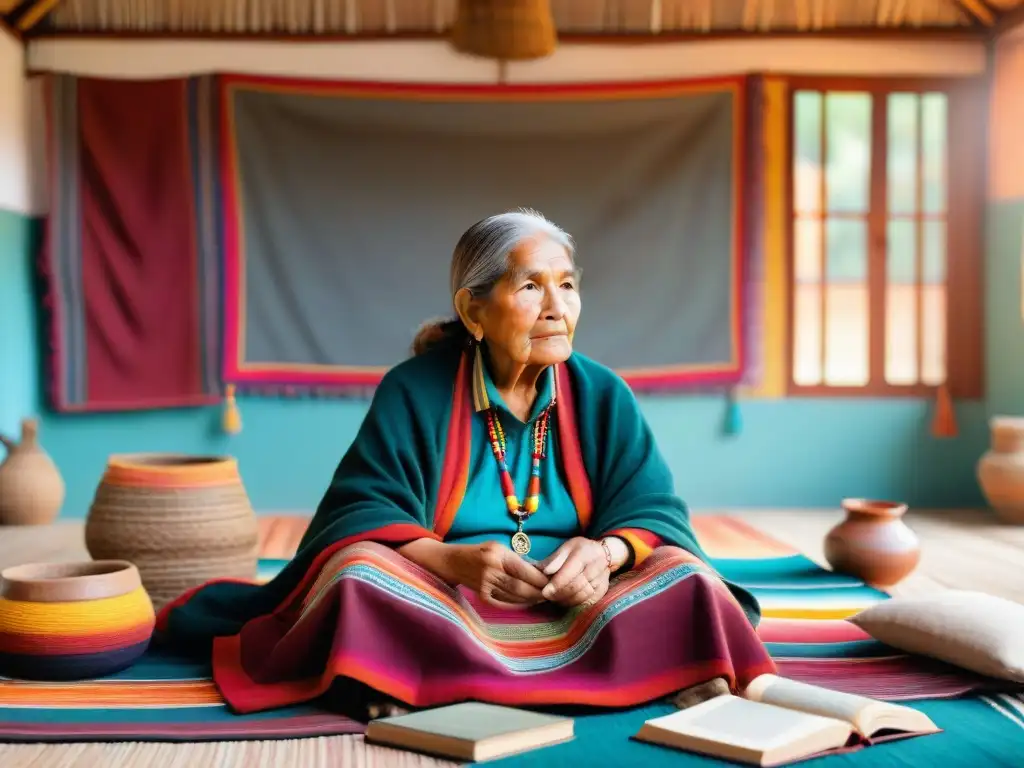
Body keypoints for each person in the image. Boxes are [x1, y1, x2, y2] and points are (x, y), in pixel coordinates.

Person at [156, 209, 776, 719]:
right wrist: (450, 558)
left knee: (683, 574)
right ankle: (653, 672)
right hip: (445, 597)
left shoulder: (603, 393)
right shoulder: (414, 389)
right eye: (530, 286)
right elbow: (361, 510)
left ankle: (410, 679)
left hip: (577, 599)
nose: (556, 306)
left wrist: (606, 554)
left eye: (567, 284)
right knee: (358, 572)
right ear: (474, 311)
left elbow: (653, 509)